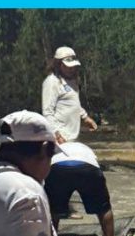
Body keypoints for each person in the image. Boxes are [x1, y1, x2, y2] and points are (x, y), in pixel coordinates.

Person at [42, 46, 98, 219]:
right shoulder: (52, 83)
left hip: (72, 135)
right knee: (58, 175)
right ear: (59, 64)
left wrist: (85, 117)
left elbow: (75, 103)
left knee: (69, 174)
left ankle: (66, 208)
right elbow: (47, 111)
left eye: (74, 66)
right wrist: (56, 132)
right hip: (60, 136)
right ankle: (57, 210)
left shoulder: (72, 81)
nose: (72, 69)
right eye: (68, 66)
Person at [44, 141, 121, 236]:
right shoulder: (85, 148)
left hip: (58, 167)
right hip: (88, 167)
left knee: (53, 209)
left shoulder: (58, 147)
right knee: (103, 208)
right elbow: (96, 165)